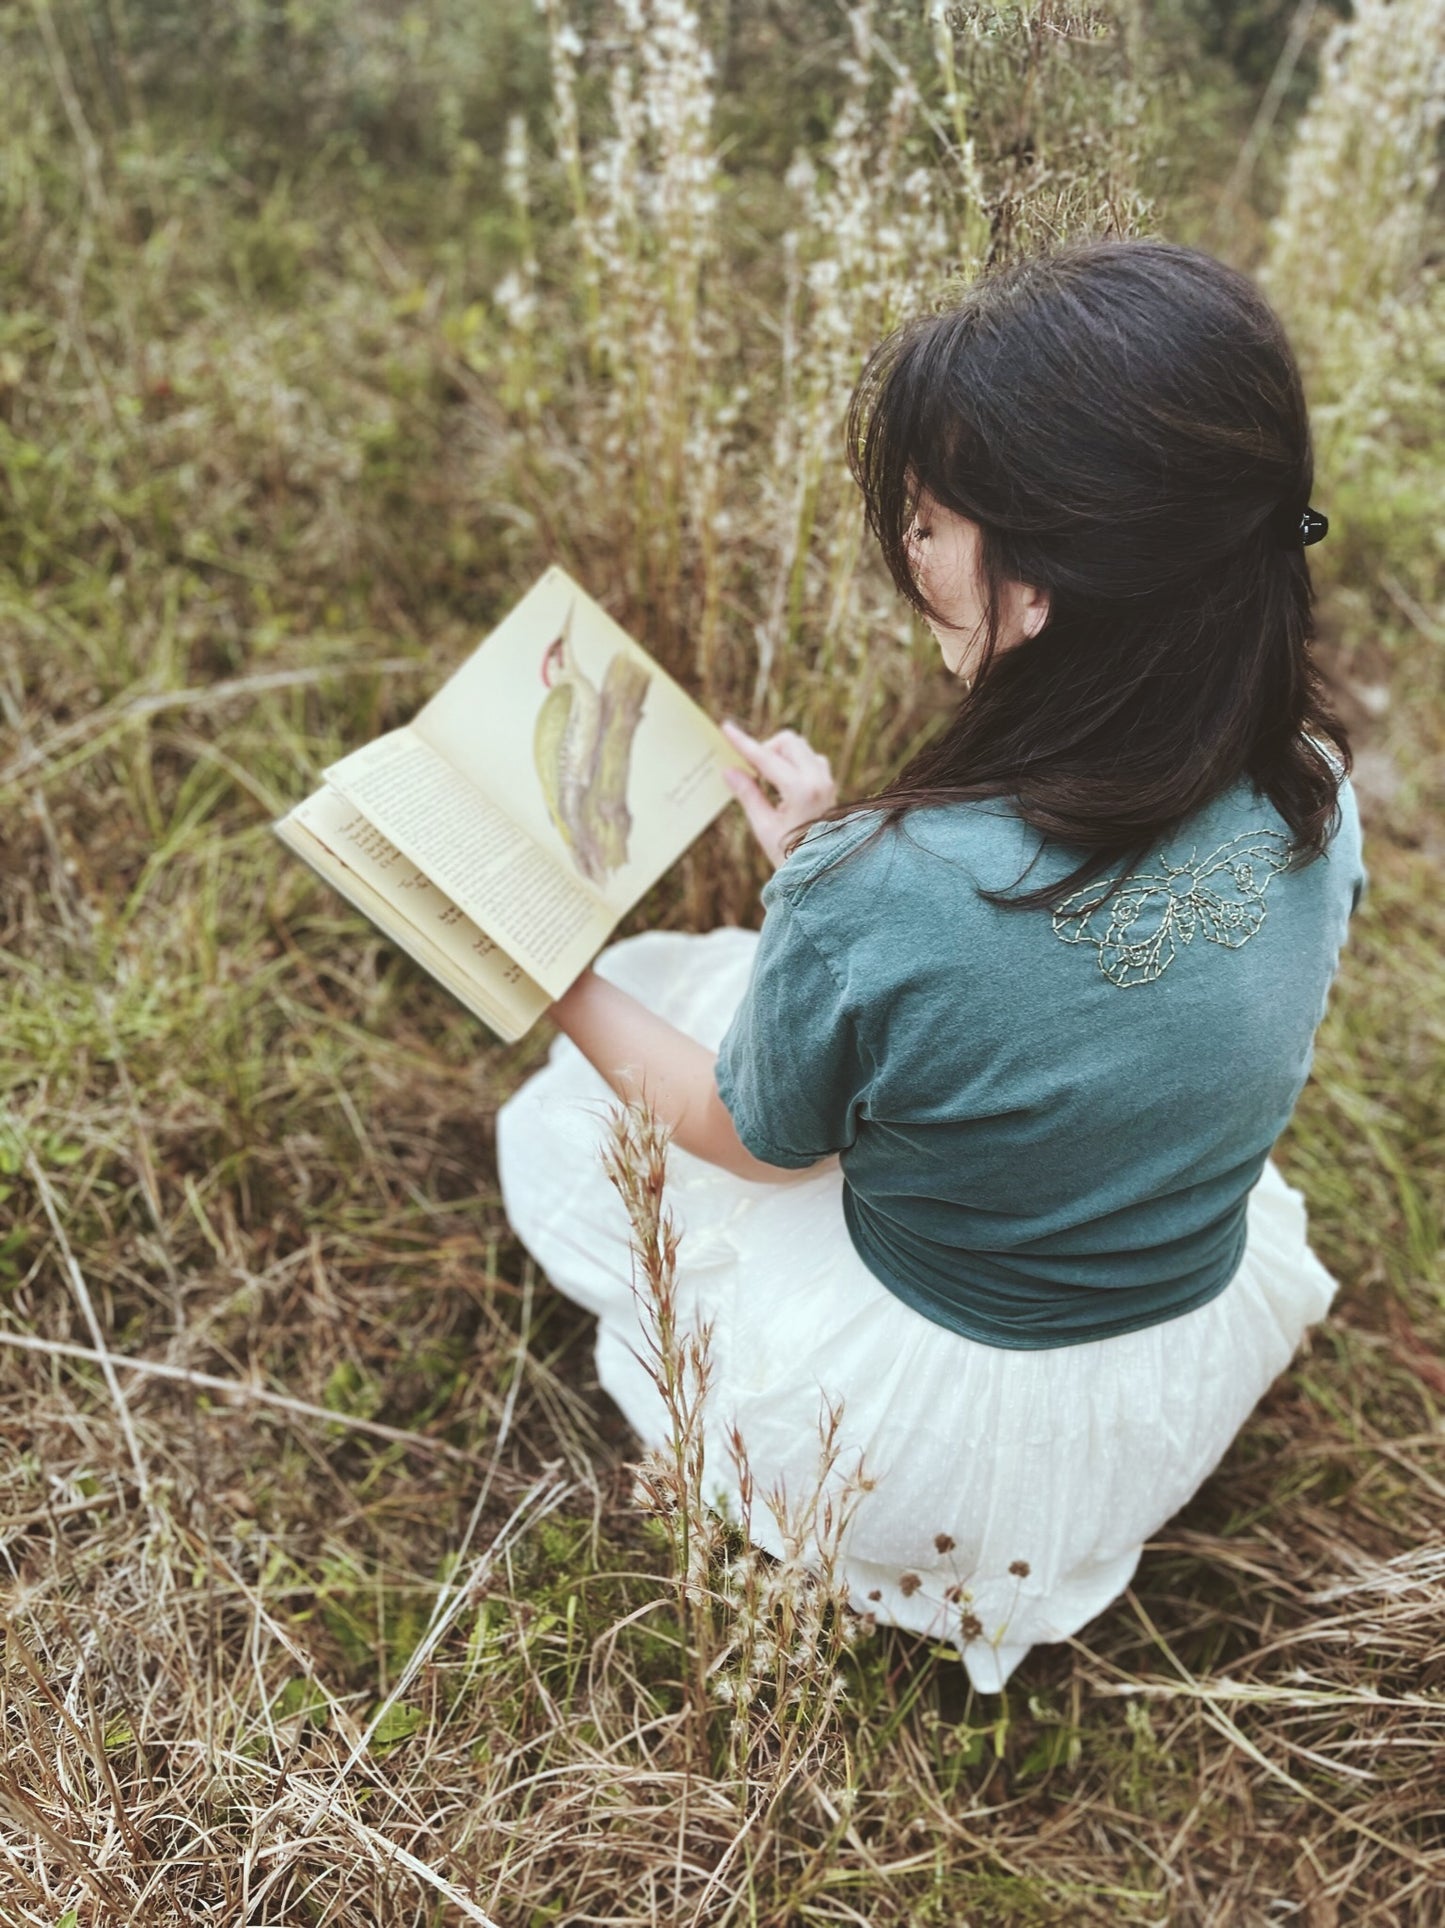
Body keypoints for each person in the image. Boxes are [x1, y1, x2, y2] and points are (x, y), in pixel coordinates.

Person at [495, 236, 1366, 1692]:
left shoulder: (884, 891)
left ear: (1035, 593)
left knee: (631, 1059)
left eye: (927, 525)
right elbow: (1063, 993)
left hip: (926, 1424)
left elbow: (753, 1145)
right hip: (1168, 1356)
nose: (909, 555)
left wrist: (559, 970)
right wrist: (831, 858)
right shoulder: (1308, 790)